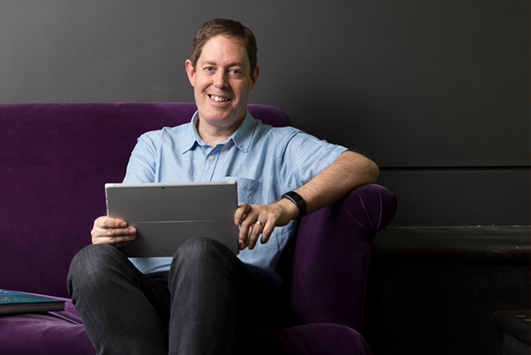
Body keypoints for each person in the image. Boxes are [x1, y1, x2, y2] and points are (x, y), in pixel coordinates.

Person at [67, 18, 379, 355]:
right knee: (90, 260)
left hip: (236, 291)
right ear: (191, 72)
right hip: (153, 293)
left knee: (199, 251)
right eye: (210, 68)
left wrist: (284, 206)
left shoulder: (280, 144)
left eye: (234, 71)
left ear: (253, 77)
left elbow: (361, 166)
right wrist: (110, 234)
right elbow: (127, 224)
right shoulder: (154, 145)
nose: (220, 82)